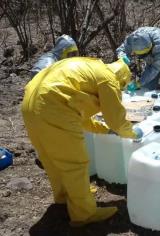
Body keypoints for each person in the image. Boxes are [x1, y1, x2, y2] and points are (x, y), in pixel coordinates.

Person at [22, 57, 143, 226]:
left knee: (51, 158)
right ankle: (84, 213)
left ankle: (65, 196)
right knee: (75, 164)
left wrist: (104, 130)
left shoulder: (92, 68)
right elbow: (116, 119)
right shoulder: (109, 80)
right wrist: (130, 132)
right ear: (122, 80)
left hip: (31, 106)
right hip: (54, 108)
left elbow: (79, 113)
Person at [30, 34, 79, 169]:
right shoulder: (48, 63)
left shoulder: (59, 61)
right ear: (63, 50)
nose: (72, 56)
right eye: (70, 53)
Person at [116, 26, 160, 91]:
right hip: (154, 57)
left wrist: (139, 83)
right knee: (147, 87)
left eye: (144, 54)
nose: (141, 57)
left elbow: (154, 69)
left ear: (150, 47)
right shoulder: (134, 37)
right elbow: (122, 49)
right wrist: (122, 56)